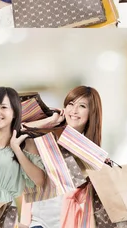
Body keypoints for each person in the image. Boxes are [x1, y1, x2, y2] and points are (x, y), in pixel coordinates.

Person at [24, 86, 104, 228]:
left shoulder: (91, 153)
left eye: (82, 106)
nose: (74, 110)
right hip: (38, 222)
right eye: (71, 104)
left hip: (69, 222)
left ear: (92, 113)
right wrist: (50, 122)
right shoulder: (47, 137)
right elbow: (16, 135)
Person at [0, 87, 46, 204]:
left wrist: (16, 149)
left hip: (5, 211)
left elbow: (40, 181)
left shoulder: (25, 141)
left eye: (3, 107)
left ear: (15, 112)